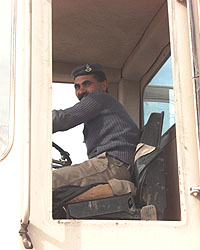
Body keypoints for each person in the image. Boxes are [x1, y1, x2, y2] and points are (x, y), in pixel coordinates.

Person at [52, 64, 140, 191]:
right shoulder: (106, 106)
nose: (81, 91)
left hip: (112, 165)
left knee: (48, 181)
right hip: (111, 165)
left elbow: (63, 119)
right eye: (77, 87)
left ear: (103, 85)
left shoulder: (99, 98)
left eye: (87, 84)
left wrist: (32, 122)